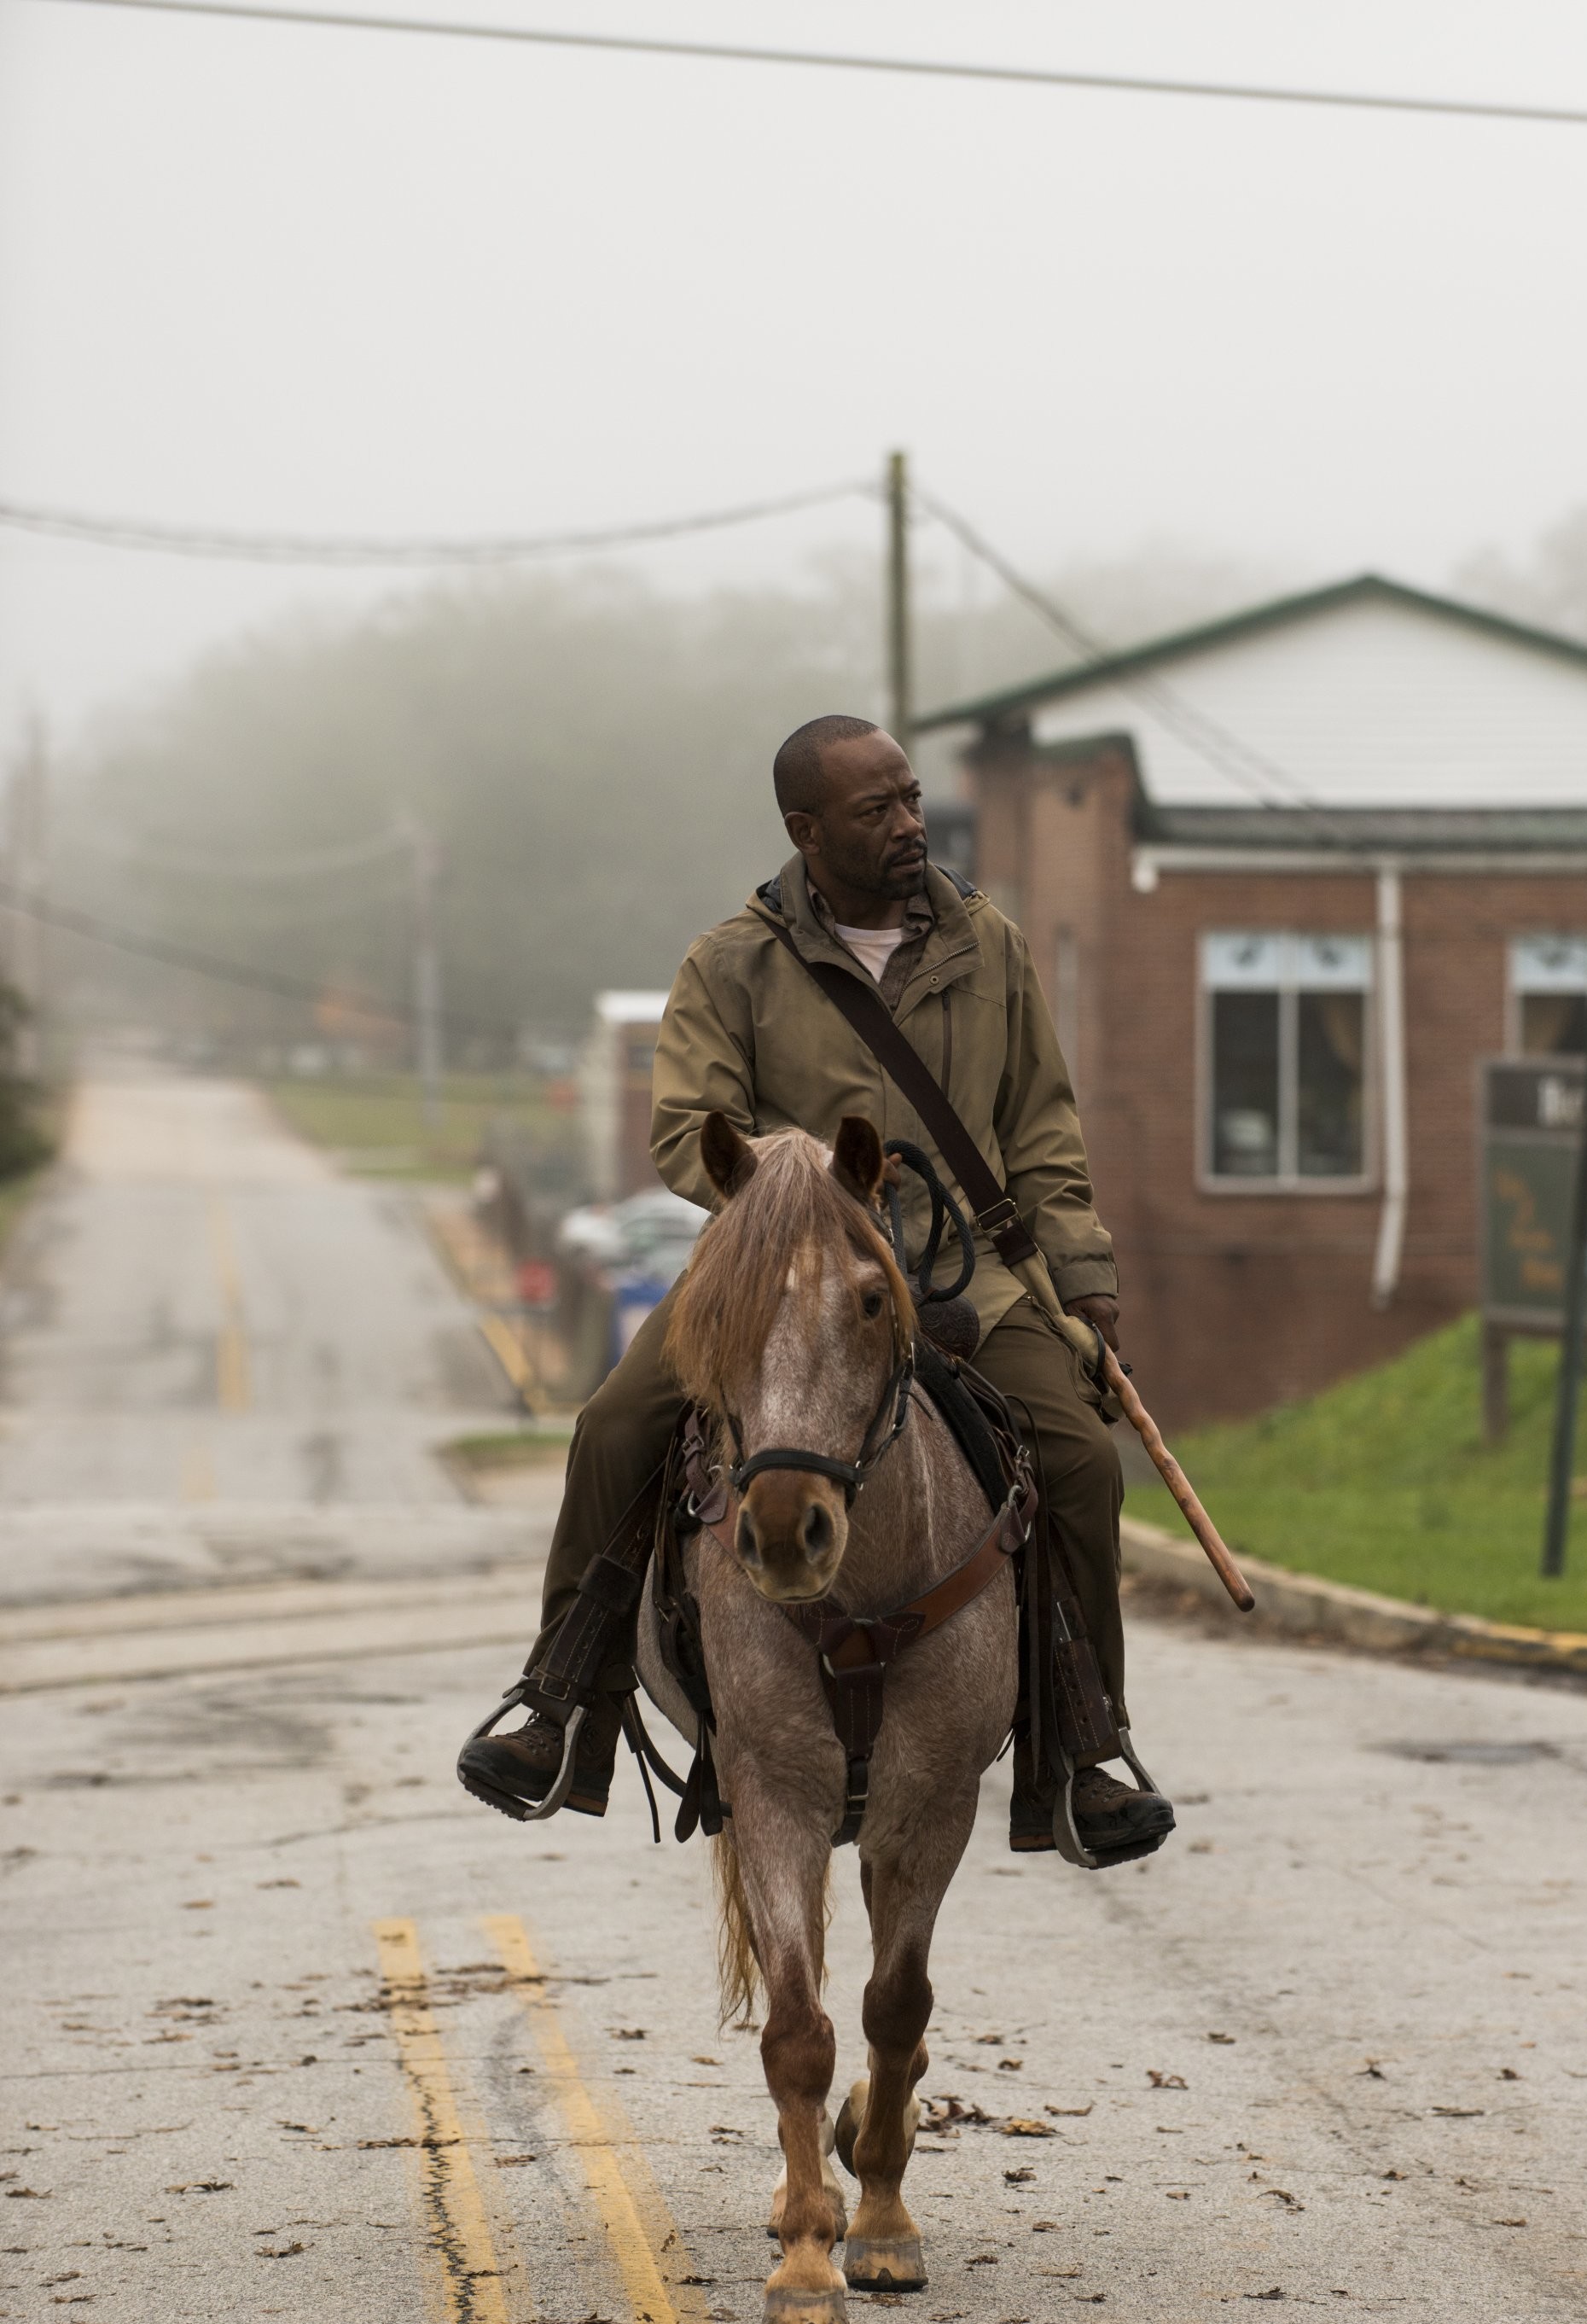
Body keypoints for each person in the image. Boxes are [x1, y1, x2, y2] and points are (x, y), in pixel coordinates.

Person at [458, 714, 1173, 1867]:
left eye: (907, 796)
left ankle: (1082, 1747)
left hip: (968, 1278)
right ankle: (561, 1707)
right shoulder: (729, 963)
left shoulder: (989, 948)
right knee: (613, 1426)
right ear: (806, 832)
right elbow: (690, 1132)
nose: (906, 823)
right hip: (781, 1269)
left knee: (1083, 1462)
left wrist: (1082, 1287)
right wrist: (788, 1182)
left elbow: (1043, 1131)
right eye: (874, 810)